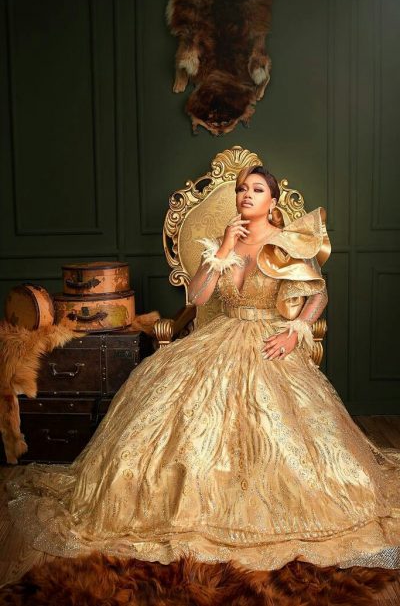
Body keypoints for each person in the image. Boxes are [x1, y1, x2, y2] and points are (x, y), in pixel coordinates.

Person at [6, 165, 400, 571]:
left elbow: (318, 295)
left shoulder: (287, 242)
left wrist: (295, 331)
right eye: (242, 189)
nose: (247, 195)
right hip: (221, 335)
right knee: (179, 408)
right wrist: (225, 248)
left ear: (272, 200)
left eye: (257, 189)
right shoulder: (222, 242)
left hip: (268, 340)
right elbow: (196, 297)